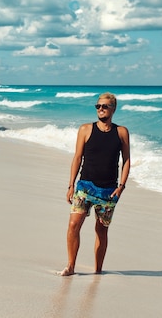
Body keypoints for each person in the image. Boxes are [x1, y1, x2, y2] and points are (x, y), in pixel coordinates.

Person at [60, 92, 130, 276]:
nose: (100, 109)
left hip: (108, 190)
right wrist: (71, 185)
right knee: (74, 224)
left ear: (113, 109)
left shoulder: (121, 132)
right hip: (84, 186)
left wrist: (121, 186)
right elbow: (77, 157)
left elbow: (127, 160)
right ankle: (71, 266)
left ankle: (98, 270)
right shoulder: (85, 129)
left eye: (104, 106)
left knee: (101, 230)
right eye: (98, 106)